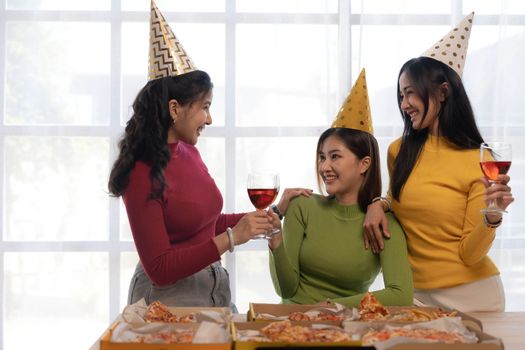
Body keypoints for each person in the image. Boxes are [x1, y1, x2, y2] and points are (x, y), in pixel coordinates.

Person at [108, 1, 310, 308]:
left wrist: (274, 214)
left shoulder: (188, 151)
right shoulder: (140, 171)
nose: (210, 119)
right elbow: (160, 268)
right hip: (167, 299)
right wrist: (231, 239)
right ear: (174, 109)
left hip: (213, 287)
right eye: (205, 107)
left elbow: (208, 224)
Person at [363, 13, 514, 312]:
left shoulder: (479, 161)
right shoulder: (399, 151)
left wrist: (493, 216)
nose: (404, 104)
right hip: (415, 295)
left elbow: (470, 255)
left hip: (474, 297)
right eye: (401, 95)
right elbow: (400, 198)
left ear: (443, 92)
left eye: (410, 93)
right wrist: (377, 203)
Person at [268, 69, 413, 307]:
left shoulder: (383, 223)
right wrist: (275, 238)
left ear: (364, 163)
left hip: (346, 329)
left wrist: (332, 308)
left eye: (335, 156)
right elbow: (286, 288)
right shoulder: (302, 206)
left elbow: (401, 295)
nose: (325, 166)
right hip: (292, 326)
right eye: (322, 157)